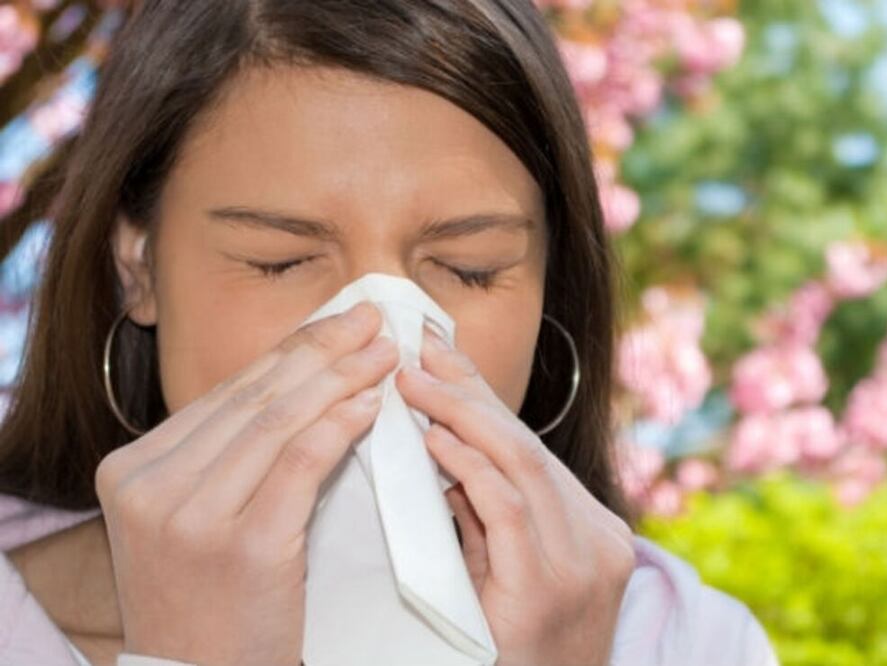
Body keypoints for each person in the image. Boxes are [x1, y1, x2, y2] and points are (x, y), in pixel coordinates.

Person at [0, 1, 779, 665]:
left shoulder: (683, 641)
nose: (377, 333)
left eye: (469, 268)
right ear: (139, 265)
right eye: (280, 261)